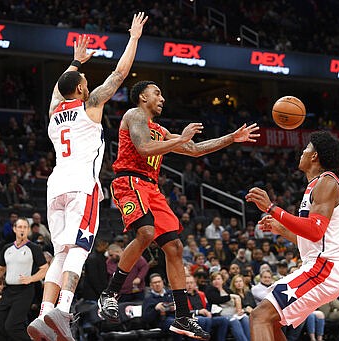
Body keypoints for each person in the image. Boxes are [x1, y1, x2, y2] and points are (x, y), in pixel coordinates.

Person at [97, 78, 259, 341]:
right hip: (129, 180)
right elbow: (144, 147)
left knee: (175, 248)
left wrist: (231, 138)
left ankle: (183, 316)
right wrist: (180, 139)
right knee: (146, 232)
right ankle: (110, 294)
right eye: (156, 93)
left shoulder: (160, 130)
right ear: (142, 97)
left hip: (152, 187)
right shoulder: (135, 115)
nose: (162, 99)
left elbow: (194, 150)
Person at [27, 12, 148, 341]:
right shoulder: (91, 103)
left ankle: (43, 315)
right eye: (83, 82)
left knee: (61, 251)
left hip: (55, 187)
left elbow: (58, 89)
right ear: (81, 89)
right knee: (78, 251)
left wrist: (75, 62)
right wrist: (134, 38)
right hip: (82, 186)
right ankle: (62, 312)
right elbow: (120, 74)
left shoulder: (54, 111)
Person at [245, 131, 339, 341]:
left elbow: (314, 230)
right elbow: (315, 239)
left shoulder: (327, 182)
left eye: (306, 148)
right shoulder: (315, 185)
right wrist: (281, 230)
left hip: (324, 268)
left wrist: (272, 208)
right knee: (270, 320)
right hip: (319, 265)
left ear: (314, 156)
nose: (302, 152)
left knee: (259, 316)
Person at [0, 217, 48, 341]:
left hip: (25, 291)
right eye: (20, 227)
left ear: (28, 230)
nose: (22, 230)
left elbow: (44, 269)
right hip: (8, 291)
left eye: (25, 227)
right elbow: (1, 268)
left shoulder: (34, 248)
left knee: (12, 326)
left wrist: (31, 279)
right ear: (14, 229)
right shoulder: (7, 248)